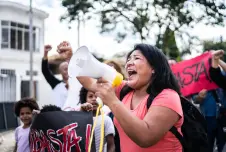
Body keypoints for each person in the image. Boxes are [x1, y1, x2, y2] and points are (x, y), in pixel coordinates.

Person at [58, 43, 183, 151]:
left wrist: (113, 102)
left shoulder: (168, 96)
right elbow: (90, 83)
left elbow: (145, 138)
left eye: (136, 58)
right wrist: (71, 59)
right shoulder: (125, 91)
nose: (129, 63)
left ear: (154, 68)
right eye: (128, 59)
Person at [79, 87, 115, 152]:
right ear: (85, 100)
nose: (94, 99)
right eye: (90, 96)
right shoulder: (80, 117)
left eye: (97, 97)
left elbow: (111, 146)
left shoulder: (106, 120)